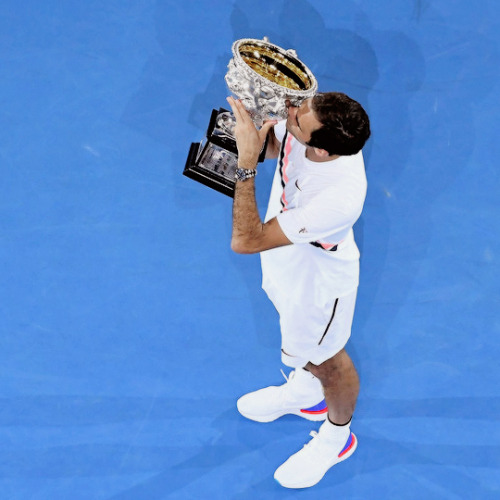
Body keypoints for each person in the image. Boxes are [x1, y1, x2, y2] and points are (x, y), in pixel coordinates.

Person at [226, 91, 370, 489]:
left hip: (318, 284)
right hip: (285, 255)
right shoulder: (311, 119)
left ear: (320, 151)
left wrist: (244, 163)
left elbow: (246, 240)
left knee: (328, 360)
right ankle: (306, 394)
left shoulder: (340, 199)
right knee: (301, 349)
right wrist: (257, 134)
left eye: (296, 119)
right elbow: (279, 145)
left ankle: (337, 437)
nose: (290, 113)